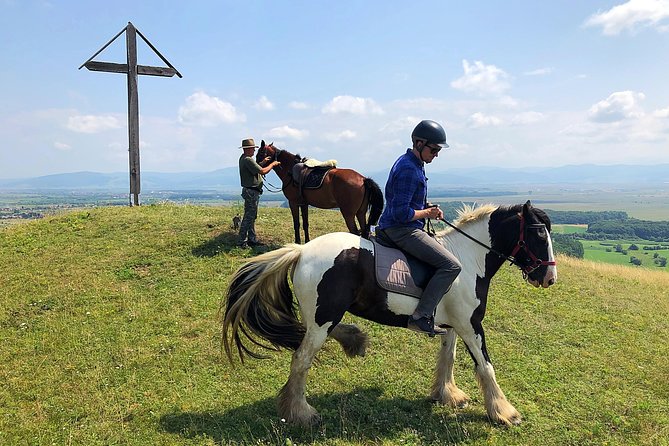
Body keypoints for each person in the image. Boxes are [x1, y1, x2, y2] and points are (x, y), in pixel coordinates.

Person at [376, 120, 462, 336]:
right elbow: (401, 214)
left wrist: (426, 207)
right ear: (419, 143)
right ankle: (421, 316)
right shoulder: (409, 169)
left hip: (399, 225)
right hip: (401, 229)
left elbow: (407, 201)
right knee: (451, 266)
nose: (436, 154)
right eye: (434, 149)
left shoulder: (412, 163)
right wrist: (427, 214)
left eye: (438, 150)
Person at [237, 138, 280, 247]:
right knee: (249, 217)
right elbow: (262, 171)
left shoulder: (244, 159)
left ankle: (252, 239)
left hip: (250, 191)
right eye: (253, 149)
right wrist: (272, 164)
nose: (254, 151)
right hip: (252, 191)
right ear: (248, 149)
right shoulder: (248, 159)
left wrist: (263, 162)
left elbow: (256, 168)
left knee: (251, 216)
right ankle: (241, 241)